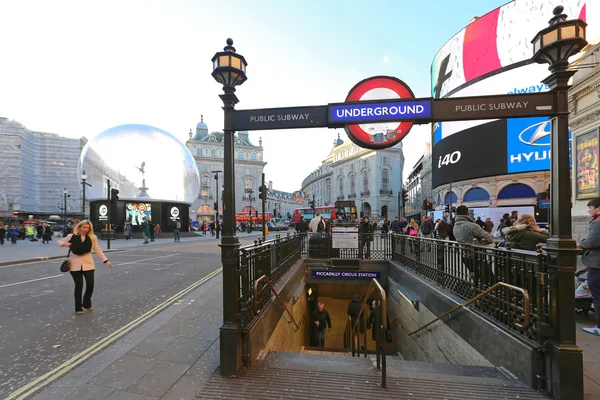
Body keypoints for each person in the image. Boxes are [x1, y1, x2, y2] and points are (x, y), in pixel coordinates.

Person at [57, 220, 113, 315]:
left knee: (90, 284)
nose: (86, 229)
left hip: (88, 264)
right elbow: (59, 242)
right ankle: (78, 307)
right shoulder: (71, 237)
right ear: (79, 227)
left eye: (88, 228)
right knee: (79, 286)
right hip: (74, 265)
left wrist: (105, 260)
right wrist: (67, 244)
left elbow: (97, 249)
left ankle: (86, 303)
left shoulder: (92, 237)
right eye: (84, 227)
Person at [579, 197, 600, 336]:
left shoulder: (597, 222)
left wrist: (581, 242)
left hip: (597, 264)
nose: (588, 210)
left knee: (597, 295)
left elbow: (592, 242)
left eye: (590, 208)